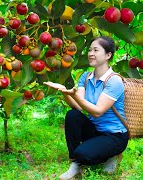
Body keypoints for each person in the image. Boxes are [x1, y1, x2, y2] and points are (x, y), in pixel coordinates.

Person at [44, 36, 128, 180]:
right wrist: (65, 92)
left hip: (114, 136)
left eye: (96, 50)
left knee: (84, 154)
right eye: (90, 50)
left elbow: (97, 111)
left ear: (108, 55)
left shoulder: (114, 81)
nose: (90, 54)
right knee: (72, 115)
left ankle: (111, 155)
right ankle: (76, 164)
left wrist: (75, 95)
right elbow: (78, 106)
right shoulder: (86, 76)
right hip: (94, 131)